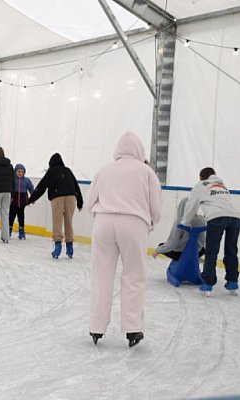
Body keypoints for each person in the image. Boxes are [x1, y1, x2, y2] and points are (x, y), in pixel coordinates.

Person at [86, 131, 162, 348]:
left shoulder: (105, 170)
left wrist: (102, 216)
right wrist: (149, 223)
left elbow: (92, 200)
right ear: (139, 151)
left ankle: (96, 326)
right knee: (134, 275)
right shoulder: (146, 171)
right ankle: (132, 328)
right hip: (134, 223)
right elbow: (155, 206)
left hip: (104, 222)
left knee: (102, 275)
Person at [180, 167, 240, 296]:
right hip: (235, 218)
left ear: (202, 177)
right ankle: (232, 281)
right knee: (231, 250)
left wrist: (185, 223)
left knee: (212, 251)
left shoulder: (200, 185)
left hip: (216, 217)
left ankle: (207, 284)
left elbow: (191, 206)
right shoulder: (222, 185)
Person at [27, 153, 84, 258]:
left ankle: (58, 247)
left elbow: (41, 187)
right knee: (68, 221)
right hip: (72, 197)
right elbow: (76, 186)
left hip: (57, 197)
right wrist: (80, 203)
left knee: (57, 222)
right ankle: (70, 247)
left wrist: (30, 199)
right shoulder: (68, 171)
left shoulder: (51, 172)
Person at [152, 197, 206, 261]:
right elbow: (203, 241)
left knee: (161, 245)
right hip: (196, 252)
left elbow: (172, 243)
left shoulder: (179, 222)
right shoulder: (201, 220)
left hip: (180, 254)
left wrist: (158, 250)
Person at [9, 164, 34, 240]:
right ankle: (9, 230)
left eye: (22, 172)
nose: (20, 173)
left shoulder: (26, 180)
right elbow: (9, 188)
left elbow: (31, 189)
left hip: (22, 202)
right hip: (13, 201)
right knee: (11, 217)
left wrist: (32, 198)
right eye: (18, 171)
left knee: (21, 217)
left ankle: (21, 231)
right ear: (15, 171)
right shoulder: (12, 180)